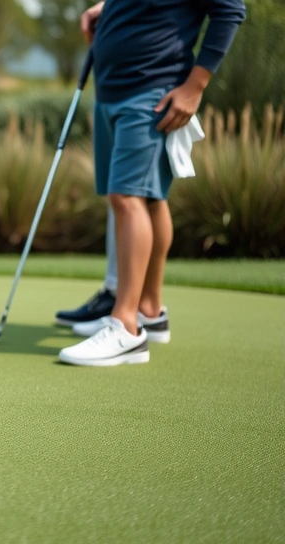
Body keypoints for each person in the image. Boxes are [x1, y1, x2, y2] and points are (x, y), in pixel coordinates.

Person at [58, 0, 245, 366]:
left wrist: (195, 86)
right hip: (112, 91)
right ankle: (149, 311)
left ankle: (125, 327)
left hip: (151, 92)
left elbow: (230, 9)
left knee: (127, 198)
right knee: (150, 198)